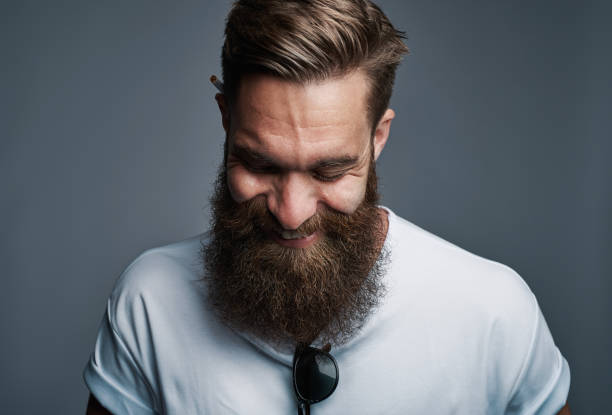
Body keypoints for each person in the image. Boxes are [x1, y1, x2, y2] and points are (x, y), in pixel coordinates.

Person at [83, 0, 571, 413]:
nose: (291, 213)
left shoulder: (496, 311)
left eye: (330, 172)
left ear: (378, 137)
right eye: (259, 164)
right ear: (226, 120)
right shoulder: (148, 303)